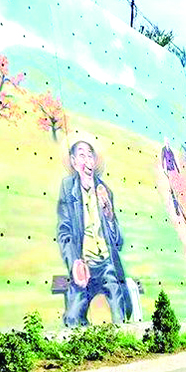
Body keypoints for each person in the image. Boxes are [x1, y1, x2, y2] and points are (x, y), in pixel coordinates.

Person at [57, 139, 131, 326]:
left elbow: (118, 242)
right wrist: (74, 261)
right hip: (84, 264)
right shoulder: (68, 188)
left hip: (106, 264)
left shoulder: (105, 191)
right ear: (74, 162)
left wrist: (110, 216)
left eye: (90, 156)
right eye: (82, 155)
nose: (87, 160)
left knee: (120, 312)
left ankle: (121, 337)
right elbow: (64, 231)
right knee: (73, 317)